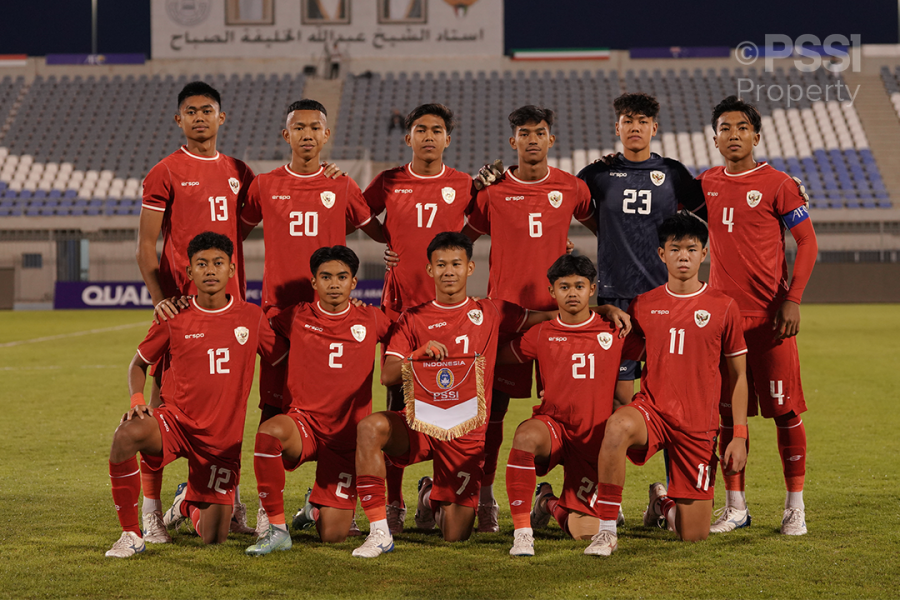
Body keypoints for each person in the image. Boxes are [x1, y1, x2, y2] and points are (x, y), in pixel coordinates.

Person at [351, 232, 631, 557]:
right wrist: (419, 356)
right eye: (441, 265)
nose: (449, 271)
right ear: (430, 270)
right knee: (370, 428)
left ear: (470, 268)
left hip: (466, 435)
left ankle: (429, 495)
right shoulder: (413, 318)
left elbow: (555, 316)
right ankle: (379, 533)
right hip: (421, 423)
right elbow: (387, 375)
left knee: (456, 534)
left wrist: (604, 309)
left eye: (456, 264)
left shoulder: (492, 311)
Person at [105, 232, 287, 558]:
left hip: (220, 442)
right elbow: (138, 364)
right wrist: (137, 403)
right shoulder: (173, 316)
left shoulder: (251, 317)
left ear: (232, 269)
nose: (210, 270)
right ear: (190, 273)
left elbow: (281, 359)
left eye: (218, 263)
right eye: (201, 264)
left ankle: (184, 504)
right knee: (126, 435)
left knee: (215, 536)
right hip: (175, 424)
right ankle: (132, 534)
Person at [462, 105, 597, 531]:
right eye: (525, 133)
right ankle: (485, 498)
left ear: (551, 140)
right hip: (507, 318)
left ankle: (576, 494)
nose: (533, 139)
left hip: (562, 318)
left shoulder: (572, 188)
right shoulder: (492, 191)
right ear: (512, 141)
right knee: (491, 415)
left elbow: (605, 228)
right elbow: (459, 242)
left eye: (540, 132)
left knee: (571, 412)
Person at [585, 211, 749, 557]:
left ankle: (661, 503)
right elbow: (618, 354)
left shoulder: (724, 307)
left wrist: (739, 435)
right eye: (675, 249)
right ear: (662, 254)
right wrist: (601, 311)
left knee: (694, 535)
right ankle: (606, 530)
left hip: (698, 426)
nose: (683, 256)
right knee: (616, 427)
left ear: (704, 253)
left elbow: (738, 376)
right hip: (654, 412)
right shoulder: (645, 304)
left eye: (691, 249)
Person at [137, 81, 257, 538]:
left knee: (231, 403)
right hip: (179, 310)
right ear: (179, 120)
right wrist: (160, 300)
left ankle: (227, 497)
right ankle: (150, 509)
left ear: (221, 118)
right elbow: (146, 247)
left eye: (208, 110)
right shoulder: (164, 171)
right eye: (191, 111)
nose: (200, 117)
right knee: (159, 402)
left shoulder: (239, 171)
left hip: (231, 307)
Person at [700, 96, 818, 536]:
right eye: (725, 128)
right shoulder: (707, 183)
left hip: (770, 320)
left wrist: (794, 298)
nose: (733, 135)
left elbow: (807, 242)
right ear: (714, 139)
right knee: (726, 418)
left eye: (741, 127)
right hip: (721, 325)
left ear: (756, 135)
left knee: (786, 412)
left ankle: (795, 506)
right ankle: (735, 507)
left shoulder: (779, 183)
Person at [363, 103, 478, 533]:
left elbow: (479, 224)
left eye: (436, 130)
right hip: (401, 309)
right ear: (407, 137)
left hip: (448, 310)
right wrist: (385, 239)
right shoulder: (390, 180)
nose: (428, 136)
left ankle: (446, 492)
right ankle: (392, 502)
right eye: (420, 130)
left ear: (448, 139)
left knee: (453, 404)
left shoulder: (463, 183)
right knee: (397, 404)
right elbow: (357, 211)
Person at [241, 99, 382, 425]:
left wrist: (396, 252)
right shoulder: (264, 185)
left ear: (326, 134)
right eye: (298, 127)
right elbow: (234, 234)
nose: (307, 134)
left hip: (330, 313)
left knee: (333, 405)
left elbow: (380, 232)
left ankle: (331, 477)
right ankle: (268, 476)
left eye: (314, 127)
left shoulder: (342, 184)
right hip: (278, 313)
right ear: (285, 134)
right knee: (274, 406)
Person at [245, 246, 392, 555]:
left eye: (342, 277)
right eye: (326, 277)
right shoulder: (296, 315)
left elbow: (406, 335)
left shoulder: (372, 319)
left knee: (334, 535)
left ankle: (315, 507)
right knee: (269, 433)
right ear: (314, 282)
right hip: (304, 424)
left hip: (347, 437)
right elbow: (255, 327)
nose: (334, 284)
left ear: (354, 282)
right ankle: (276, 529)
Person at [577, 93, 706, 410]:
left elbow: (714, 206)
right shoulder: (597, 174)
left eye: (643, 122)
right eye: (628, 121)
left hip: (665, 296)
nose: (635, 128)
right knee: (618, 399)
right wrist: (603, 231)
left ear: (654, 128)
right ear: (617, 128)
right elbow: (563, 200)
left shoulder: (673, 173)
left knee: (672, 393)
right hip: (615, 296)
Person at [497, 254, 626, 556]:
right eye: (564, 286)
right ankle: (522, 534)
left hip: (593, 440)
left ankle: (547, 503)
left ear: (592, 289)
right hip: (553, 428)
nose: (572, 293)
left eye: (579, 286)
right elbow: (498, 355)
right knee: (525, 436)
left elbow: (657, 347)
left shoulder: (614, 330)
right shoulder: (540, 334)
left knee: (583, 533)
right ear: (552, 291)